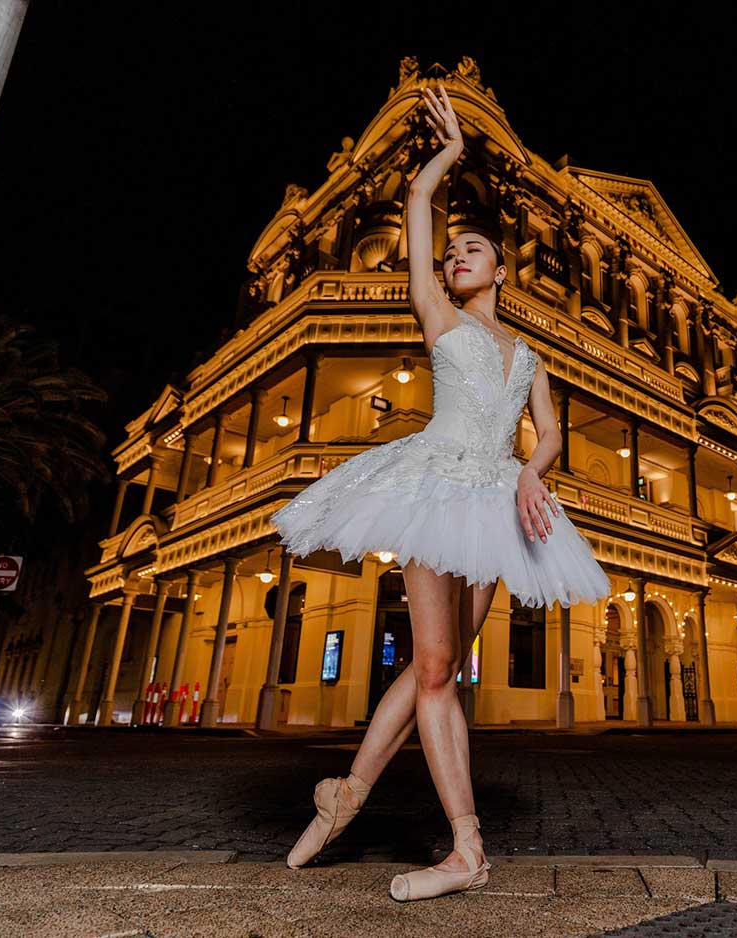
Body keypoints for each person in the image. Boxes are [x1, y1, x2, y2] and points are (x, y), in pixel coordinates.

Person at [270, 82, 611, 901]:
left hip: (499, 500)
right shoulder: (437, 314)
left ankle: (348, 796)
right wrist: (448, 157)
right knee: (431, 669)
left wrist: (533, 471)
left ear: (500, 268)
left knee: (444, 668)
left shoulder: (527, 352)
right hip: (434, 489)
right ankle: (467, 848)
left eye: (472, 251)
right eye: (450, 252)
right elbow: (419, 200)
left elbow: (552, 433)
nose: (456, 258)